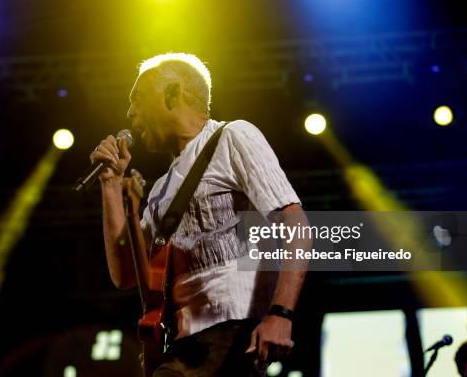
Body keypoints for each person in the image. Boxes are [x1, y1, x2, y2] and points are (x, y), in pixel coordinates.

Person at [90, 52, 311, 376]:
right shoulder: (161, 189)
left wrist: (281, 314)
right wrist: (110, 185)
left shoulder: (232, 136)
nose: (130, 112)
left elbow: (295, 224)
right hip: (181, 346)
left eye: (137, 99)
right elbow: (124, 274)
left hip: (233, 335)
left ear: (172, 94)